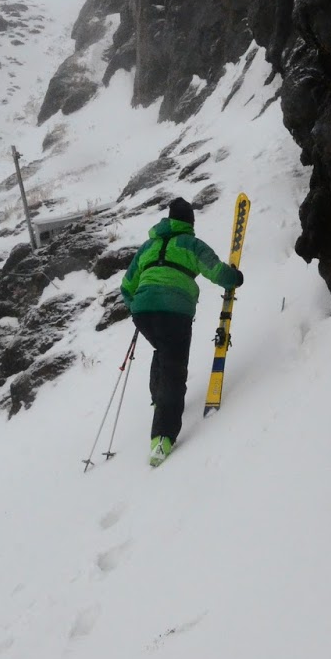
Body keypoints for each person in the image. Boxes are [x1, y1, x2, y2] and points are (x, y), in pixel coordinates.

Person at [120, 196, 243, 466]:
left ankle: (158, 399)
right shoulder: (190, 243)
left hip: (143, 312)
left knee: (162, 349)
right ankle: (162, 438)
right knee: (174, 371)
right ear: (190, 221)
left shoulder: (148, 246)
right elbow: (217, 272)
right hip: (174, 310)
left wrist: (136, 305)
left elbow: (126, 285)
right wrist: (235, 277)